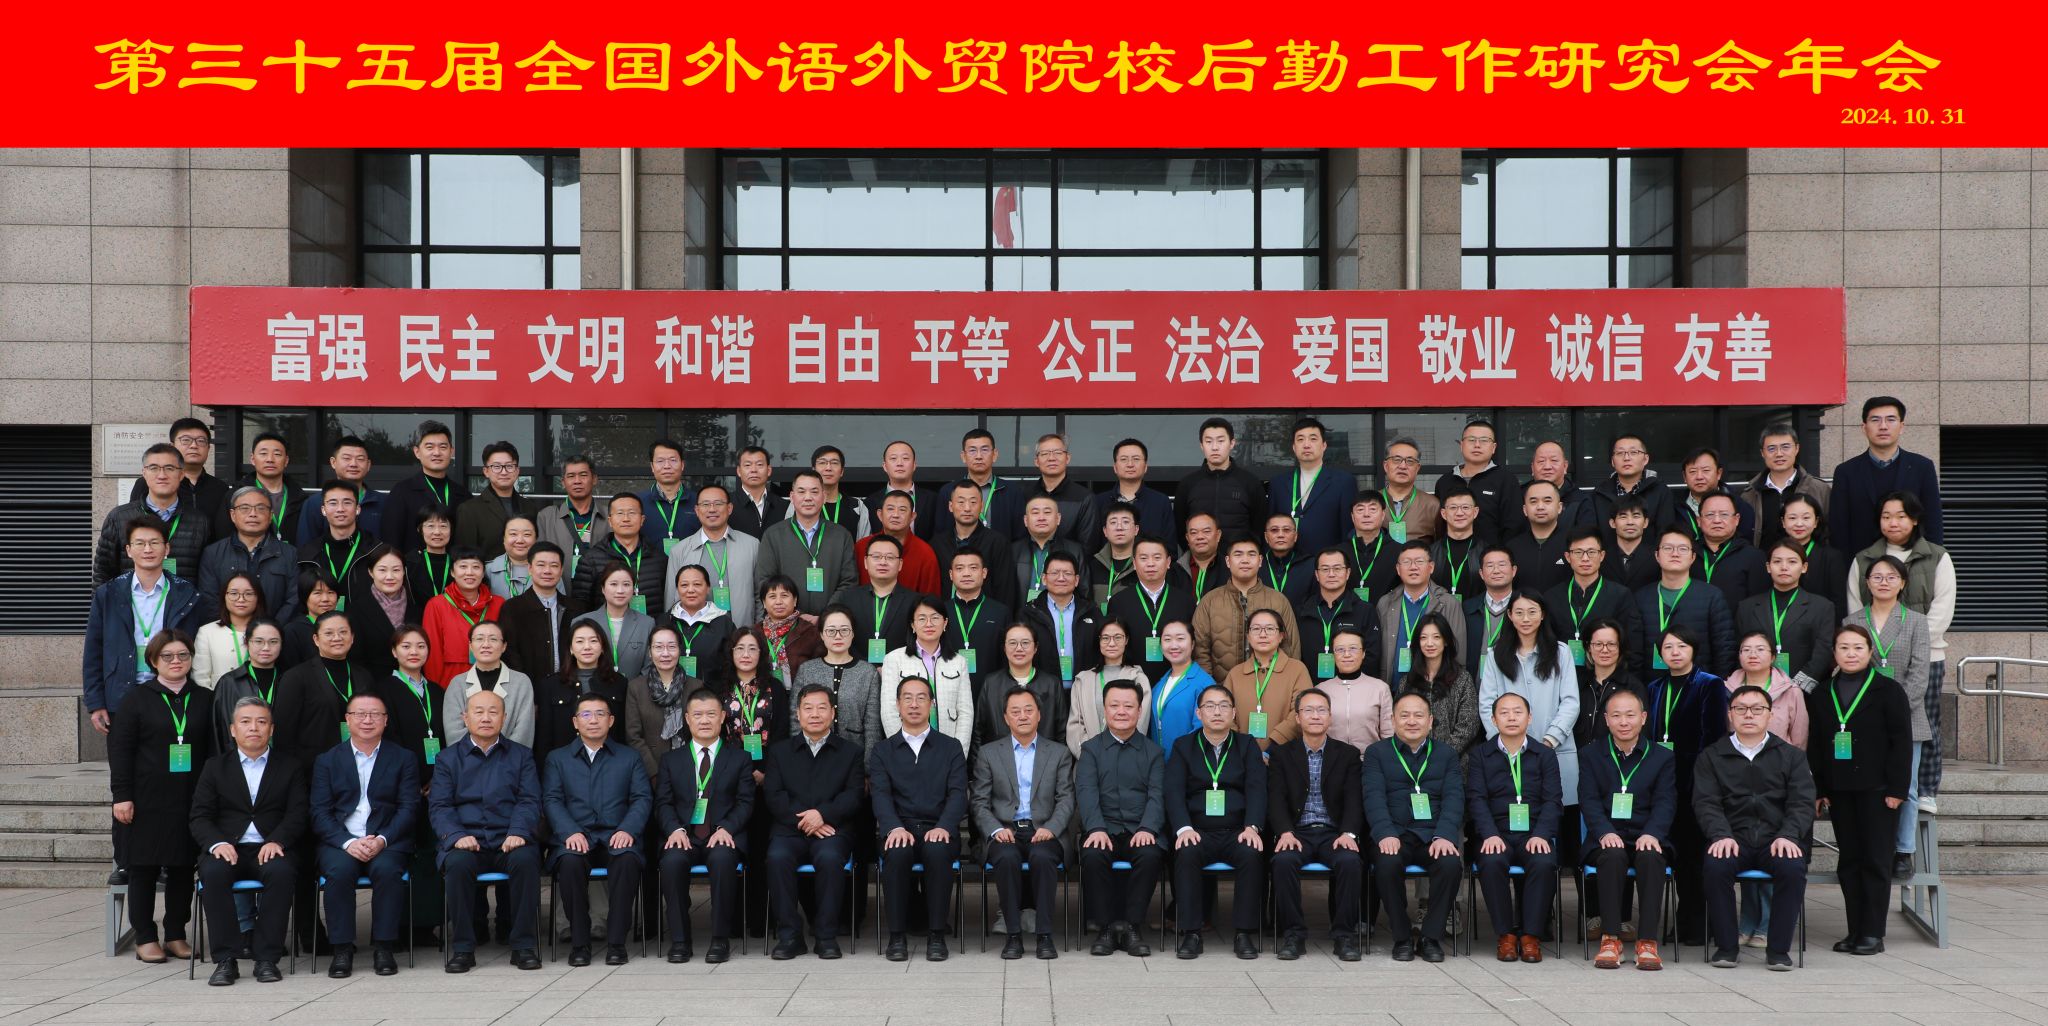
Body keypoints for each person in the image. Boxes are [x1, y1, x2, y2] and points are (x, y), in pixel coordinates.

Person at [1846, 492, 1955, 815]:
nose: (1893, 522)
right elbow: (1855, 608)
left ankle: (1926, 789)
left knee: (1924, 723)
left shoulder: (1936, 557)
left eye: (1901, 516)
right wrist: (1868, 647)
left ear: (1915, 519)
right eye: (1886, 516)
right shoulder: (1864, 559)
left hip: (1927, 656)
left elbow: (1942, 608)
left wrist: (1912, 640)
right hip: (1872, 659)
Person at [1808, 624, 1913, 956]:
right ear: (1834, 653)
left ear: (1870, 652)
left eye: (1857, 648)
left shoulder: (1888, 690)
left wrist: (1897, 788)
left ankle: (1873, 933)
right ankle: (1854, 930)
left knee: (1876, 860)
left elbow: (1902, 742)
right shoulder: (1823, 692)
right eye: (1844, 648)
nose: (1850, 654)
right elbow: (1816, 745)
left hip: (1878, 789)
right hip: (1840, 789)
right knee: (1849, 861)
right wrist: (1820, 788)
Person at [110, 629, 213, 962]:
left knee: (182, 868)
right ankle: (145, 936)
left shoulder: (205, 698)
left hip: (190, 797)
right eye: (167, 656)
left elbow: (213, 750)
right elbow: (121, 751)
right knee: (144, 867)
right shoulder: (136, 699)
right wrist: (122, 795)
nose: (176, 661)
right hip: (146, 799)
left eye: (183, 655)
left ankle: (176, 934)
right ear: (153, 660)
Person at [1697, 684, 1815, 971]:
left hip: (1776, 839)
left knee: (1792, 868)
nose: (1748, 715)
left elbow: (1802, 802)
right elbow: (1706, 802)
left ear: (1770, 714)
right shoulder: (1712, 756)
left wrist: (1788, 835)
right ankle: (1727, 947)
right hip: (1733, 838)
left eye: (1757, 709)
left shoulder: (1791, 756)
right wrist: (1720, 834)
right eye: (1740, 709)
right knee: (1715, 867)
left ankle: (1778, 950)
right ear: (1730, 715)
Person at [192, 694, 306, 986]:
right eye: (245, 722)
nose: (253, 728)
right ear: (233, 729)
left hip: (270, 847)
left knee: (281, 873)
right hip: (228, 848)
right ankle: (226, 960)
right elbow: (200, 816)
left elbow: (298, 813)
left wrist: (278, 840)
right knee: (213, 873)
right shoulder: (214, 767)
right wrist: (217, 843)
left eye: (261, 722)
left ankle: (266, 958)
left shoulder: (290, 766)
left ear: (271, 729)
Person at [432, 689, 545, 972]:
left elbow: (529, 800)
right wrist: (457, 836)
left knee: (526, 860)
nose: (486, 718)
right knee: (457, 864)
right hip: (467, 840)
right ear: (465, 717)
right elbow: (440, 806)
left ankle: (523, 945)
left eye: (493, 712)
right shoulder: (447, 759)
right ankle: (463, 948)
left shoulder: (521, 756)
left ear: (504, 718)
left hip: (509, 839)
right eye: (479, 712)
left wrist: (518, 831)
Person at [311, 692, 420, 978]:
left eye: (375, 714)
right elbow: (319, 813)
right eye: (360, 714)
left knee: (387, 870)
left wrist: (382, 839)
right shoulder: (327, 760)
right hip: (341, 841)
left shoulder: (403, 758)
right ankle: (341, 949)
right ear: (347, 720)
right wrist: (348, 842)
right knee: (339, 872)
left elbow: (409, 808)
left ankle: (384, 947)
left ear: (386, 721)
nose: (367, 720)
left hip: (387, 840)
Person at [543, 695, 651, 966]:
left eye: (600, 714)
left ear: (611, 720)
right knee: (569, 862)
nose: (593, 720)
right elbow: (552, 800)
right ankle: (580, 944)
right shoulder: (557, 759)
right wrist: (569, 832)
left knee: (627, 860)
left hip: (617, 835)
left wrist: (627, 829)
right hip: (575, 836)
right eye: (586, 715)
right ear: (575, 722)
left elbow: (642, 798)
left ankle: (617, 943)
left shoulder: (629, 757)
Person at [870, 674, 970, 962]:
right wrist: (892, 828)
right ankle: (896, 936)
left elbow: (958, 794)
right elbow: (880, 795)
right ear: (897, 705)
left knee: (938, 851)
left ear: (932, 704)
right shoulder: (883, 750)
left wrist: (944, 826)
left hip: (937, 828)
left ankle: (936, 934)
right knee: (897, 852)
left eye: (921, 698)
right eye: (907, 698)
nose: (914, 705)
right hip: (899, 828)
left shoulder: (950, 747)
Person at [762, 684, 865, 959]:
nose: (815, 714)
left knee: (830, 858)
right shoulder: (780, 752)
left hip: (833, 829)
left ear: (833, 713)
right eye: (808, 708)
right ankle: (790, 936)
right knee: (777, 858)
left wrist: (823, 815)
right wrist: (807, 819)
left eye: (822, 708)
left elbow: (854, 795)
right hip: (789, 830)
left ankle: (826, 936)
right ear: (798, 714)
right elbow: (774, 795)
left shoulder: (850, 752)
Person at [1578, 688, 1678, 970]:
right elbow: (1588, 799)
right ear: (1606, 719)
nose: (1624, 722)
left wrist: (1653, 833)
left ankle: (1647, 941)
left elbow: (1666, 801)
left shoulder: (1662, 757)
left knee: (1651, 857)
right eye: (1616, 715)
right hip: (1606, 835)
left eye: (1630, 715)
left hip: (1647, 834)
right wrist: (1604, 831)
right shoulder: (1590, 755)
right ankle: (1611, 938)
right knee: (1612, 856)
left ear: (1643, 718)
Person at [975, 686, 1076, 960]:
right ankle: (1013, 935)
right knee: (1006, 858)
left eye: (1029, 710)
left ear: (1039, 715)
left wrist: (1051, 828)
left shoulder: (1058, 753)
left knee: (1042, 857)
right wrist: (996, 829)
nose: (1022, 716)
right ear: (1006, 718)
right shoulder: (988, 753)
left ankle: (1044, 935)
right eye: (1015, 711)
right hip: (1005, 830)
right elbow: (979, 802)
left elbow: (1066, 799)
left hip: (1044, 829)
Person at [1361, 691, 1463, 962]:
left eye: (1419, 715)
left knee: (1451, 865)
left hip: (1433, 835)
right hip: (1395, 833)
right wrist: (1385, 833)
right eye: (1404, 715)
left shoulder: (1446, 754)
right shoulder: (1377, 753)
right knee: (1386, 864)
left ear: (1430, 721)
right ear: (1392, 720)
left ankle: (1431, 937)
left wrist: (1445, 835)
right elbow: (1373, 797)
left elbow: (1454, 798)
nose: (1412, 721)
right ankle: (1402, 936)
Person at [655, 687, 753, 963]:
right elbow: (663, 802)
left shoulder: (740, 758)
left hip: (722, 834)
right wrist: (675, 830)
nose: (705, 720)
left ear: (722, 717)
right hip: (684, 835)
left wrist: (727, 828)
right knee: (672, 862)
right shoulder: (671, 760)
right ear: (687, 719)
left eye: (711, 714)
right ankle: (680, 940)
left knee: (722, 859)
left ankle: (720, 939)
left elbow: (746, 802)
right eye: (697, 715)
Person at [1645, 625, 1730, 945]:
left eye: (1682, 646)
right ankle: (1684, 918)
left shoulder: (1710, 684)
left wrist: (1701, 779)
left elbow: (1714, 736)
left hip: (1697, 782)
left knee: (1696, 856)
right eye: (1668, 647)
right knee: (1678, 857)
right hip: (1663, 782)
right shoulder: (1655, 687)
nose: (1675, 652)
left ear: (1693, 649)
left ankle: (1701, 921)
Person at [1850, 556, 1933, 880]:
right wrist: (1871, 714)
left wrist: (1894, 712)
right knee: (1866, 784)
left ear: (1903, 583)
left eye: (1891, 577)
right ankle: (1870, 845)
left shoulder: (1916, 622)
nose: (1883, 582)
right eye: (1877, 576)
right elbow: (1851, 667)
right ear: (1867, 582)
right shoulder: (1853, 620)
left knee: (1906, 786)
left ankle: (1903, 850)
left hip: (1907, 718)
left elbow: (1919, 673)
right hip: (1864, 718)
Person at [1266, 688, 1365, 961]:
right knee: (1283, 861)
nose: (1315, 716)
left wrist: (1348, 833)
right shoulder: (1282, 755)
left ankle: (1344, 935)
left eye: (1322, 710)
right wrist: (1285, 832)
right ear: (1298, 718)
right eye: (1308, 710)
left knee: (1350, 861)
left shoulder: (1347, 754)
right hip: (1297, 832)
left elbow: (1354, 799)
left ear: (1330, 717)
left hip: (1334, 833)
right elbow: (1275, 798)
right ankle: (1294, 935)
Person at [1468, 692, 1564, 964]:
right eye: (1504, 713)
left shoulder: (1544, 755)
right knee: (1491, 861)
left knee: (1543, 862)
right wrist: (1489, 834)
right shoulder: (1480, 755)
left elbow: (1553, 800)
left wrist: (1542, 835)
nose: (1511, 717)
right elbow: (1476, 799)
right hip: (1495, 833)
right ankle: (1506, 936)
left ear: (1529, 718)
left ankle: (1531, 936)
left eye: (1518, 712)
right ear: (1493, 719)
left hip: (1533, 832)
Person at [1478, 592, 1581, 840]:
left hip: (1554, 748)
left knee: (1556, 822)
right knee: (1511, 821)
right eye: (1519, 612)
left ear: (1542, 614)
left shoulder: (1561, 652)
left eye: (1532, 612)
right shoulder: (1496, 654)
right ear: (1510, 615)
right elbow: (1487, 703)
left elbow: (1571, 702)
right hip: (1509, 755)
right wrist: (1504, 744)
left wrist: (1549, 741)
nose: (1526, 618)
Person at [1076, 679, 1166, 958]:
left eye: (1128, 706)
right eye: (1114, 705)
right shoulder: (1091, 750)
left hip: (1140, 829)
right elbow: (1086, 792)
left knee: (1150, 855)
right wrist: (1096, 828)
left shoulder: (1153, 752)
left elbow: (1157, 794)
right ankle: (1104, 928)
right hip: (1103, 828)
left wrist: (1148, 828)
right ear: (1104, 710)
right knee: (1093, 855)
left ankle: (1131, 927)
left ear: (1139, 711)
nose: (1121, 711)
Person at [1830, 395, 1943, 558]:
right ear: (1864, 427)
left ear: (1902, 426)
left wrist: (1931, 561)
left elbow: (1933, 522)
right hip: (1862, 562)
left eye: (1891, 420)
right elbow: (1839, 529)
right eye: (1875, 420)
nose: (1883, 426)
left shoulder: (1922, 467)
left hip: (1911, 562)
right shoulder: (1846, 472)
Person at [98, 443, 212, 584]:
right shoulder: (118, 517)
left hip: (184, 598)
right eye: (154, 468)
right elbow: (102, 573)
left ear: (181, 474)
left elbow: (207, 575)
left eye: (169, 468)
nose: (162, 475)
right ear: (144, 473)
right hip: (130, 598)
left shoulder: (200, 521)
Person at [1193, 536, 1302, 678]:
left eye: (1251, 554)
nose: (1245, 560)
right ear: (1228, 561)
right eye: (1238, 554)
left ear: (1260, 561)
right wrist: (1211, 688)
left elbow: (1291, 649)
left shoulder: (1278, 601)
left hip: (1270, 686)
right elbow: (1200, 652)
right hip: (1221, 688)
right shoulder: (1209, 602)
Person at [1736, 542, 1838, 692]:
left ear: (1804, 567)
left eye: (1792, 561)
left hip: (1803, 691)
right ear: (1768, 567)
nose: (1784, 567)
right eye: (1777, 561)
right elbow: (1739, 649)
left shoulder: (1822, 607)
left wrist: (1796, 688)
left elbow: (1823, 652)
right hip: (1757, 689)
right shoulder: (1747, 607)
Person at [1546, 527, 1648, 677]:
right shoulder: (1552, 596)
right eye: (1578, 552)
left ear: (1602, 555)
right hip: (1561, 677)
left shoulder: (1620, 595)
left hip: (1605, 679)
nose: (1585, 558)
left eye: (1591, 552)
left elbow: (1632, 646)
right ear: (1568, 557)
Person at [755, 470, 859, 618]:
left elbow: (849, 582)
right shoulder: (773, 535)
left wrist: (825, 616)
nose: (808, 497)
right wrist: (797, 615)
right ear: (792, 497)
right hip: (787, 622)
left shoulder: (841, 536)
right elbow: (766, 582)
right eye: (801, 492)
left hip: (829, 623)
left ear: (824, 497)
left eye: (814, 492)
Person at [1635, 529, 1736, 676]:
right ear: (1657, 555)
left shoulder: (1712, 596)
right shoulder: (1641, 597)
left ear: (1693, 557)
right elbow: (1634, 652)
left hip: (1699, 684)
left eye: (1683, 549)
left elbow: (1724, 649)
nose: (1675, 554)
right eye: (1668, 548)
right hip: (1653, 684)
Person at [789, 605, 885, 761]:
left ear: (853, 634)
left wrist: (868, 766)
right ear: (822, 634)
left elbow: (872, 726)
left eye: (844, 630)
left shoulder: (868, 672)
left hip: (854, 757)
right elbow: (795, 718)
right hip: (812, 756)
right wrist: (800, 757)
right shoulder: (807, 670)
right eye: (831, 631)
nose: (838, 636)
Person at [881, 596, 976, 750]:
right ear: (913, 625)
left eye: (935, 618)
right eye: (922, 619)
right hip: (907, 747)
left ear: (945, 623)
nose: (929, 624)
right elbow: (889, 711)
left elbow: (966, 712)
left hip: (948, 746)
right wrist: (902, 751)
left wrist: (958, 754)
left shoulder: (959, 662)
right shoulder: (894, 659)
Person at [273, 611, 368, 764]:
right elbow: (284, 733)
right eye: (329, 633)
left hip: (360, 763)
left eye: (343, 632)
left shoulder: (364, 676)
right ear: (316, 639)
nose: (337, 638)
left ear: (352, 637)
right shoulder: (296, 677)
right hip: (313, 765)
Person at [197, 485, 299, 623]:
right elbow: (209, 600)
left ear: (270, 515)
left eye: (260, 508)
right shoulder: (213, 553)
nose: (253, 514)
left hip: (274, 633)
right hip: (227, 632)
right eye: (245, 508)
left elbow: (293, 599)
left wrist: (271, 629)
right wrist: (232, 629)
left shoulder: (289, 554)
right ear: (233, 515)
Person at [665, 483, 759, 627]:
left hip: (742, 632)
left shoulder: (751, 545)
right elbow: (672, 599)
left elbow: (760, 595)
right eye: (705, 504)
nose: (712, 509)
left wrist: (756, 631)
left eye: (718, 503)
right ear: (697, 510)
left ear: (729, 508)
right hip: (696, 634)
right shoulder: (680, 550)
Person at [1105, 535, 1194, 687]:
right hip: (1130, 683)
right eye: (1144, 558)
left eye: (1157, 558)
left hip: (1176, 682)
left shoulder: (1185, 602)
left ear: (1168, 562)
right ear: (1134, 563)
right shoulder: (1118, 602)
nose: (1150, 563)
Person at [1267, 416, 1359, 559]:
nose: (1306, 445)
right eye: (1300, 439)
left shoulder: (1343, 482)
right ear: (1293, 447)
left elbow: (1348, 530)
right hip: (1287, 564)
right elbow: (1270, 526)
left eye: (1313, 439)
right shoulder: (1278, 484)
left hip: (1327, 564)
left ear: (1324, 445)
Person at [534, 622, 629, 759]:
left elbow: (624, 731)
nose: (587, 647)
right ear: (571, 649)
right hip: (564, 763)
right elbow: (544, 735)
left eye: (593, 641)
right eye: (580, 641)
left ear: (602, 647)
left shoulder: (619, 683)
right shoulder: (550, 685)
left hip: (610, 761)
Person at [1375, 540, 1466, 683]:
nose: (1413, 567)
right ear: (1398, 569)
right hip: (1392, 687)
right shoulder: (1385, 603)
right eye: (1406, 562)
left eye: (1419, 561)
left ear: (1431, 567)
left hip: (1435, 688)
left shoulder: (1448, 603)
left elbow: (1458, 652)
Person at [1224, 608, 1314, 750]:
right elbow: (1225, 713)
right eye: (1256, 629)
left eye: (1270, 629)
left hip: (1284, 752)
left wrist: (1274, 745)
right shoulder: (1235, 674)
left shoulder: (1297, 670)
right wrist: (1240, 746)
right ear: (1248, 636)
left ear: (1281, 636)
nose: (1263, 634)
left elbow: (1302, 711)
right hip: (1240, 753)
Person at [1017, 550, 1104, 694]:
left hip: (1084, 692)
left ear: (1076, 580)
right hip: (1041, 692)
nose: (1061, 578)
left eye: (1067, 573)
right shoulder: (1029, 613)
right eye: (1055, 573)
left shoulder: (1092, 612)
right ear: (1044, 579)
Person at [1737, 422, 1831, 552]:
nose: (1779, 454)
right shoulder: (1749, 494)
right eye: (1771, 449)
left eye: (1785, 447)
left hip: (1810, 561)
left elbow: (1829, 532)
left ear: (1797, 449)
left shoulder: (1820, 489)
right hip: (1762, 562)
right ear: (1762, 453)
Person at [499, 542, 586, 682]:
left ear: (561, 570)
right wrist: (524, 686)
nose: (547, 571)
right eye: (541, 565)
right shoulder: (512, 608)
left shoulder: (575, 608)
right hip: (528, 686)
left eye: (554, 566)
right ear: (530, 569)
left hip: (569, 685)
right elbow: (509, 653)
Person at [442, 620, 536, 749]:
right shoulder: (457, 684)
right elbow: (454, 733)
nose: (486, 645)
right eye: (479, 639)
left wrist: (502, 757)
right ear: (470, 646)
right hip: (466, 760)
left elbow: (524, 732)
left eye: (493, 639)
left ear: (504, 646)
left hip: (511, 760)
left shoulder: (521, 682)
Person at [380, 421, 468, 556]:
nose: (437, 453)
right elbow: (391, 540)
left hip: (454, 568)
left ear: (451, 451)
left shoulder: (463, 494)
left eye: (443, 447)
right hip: (413, 568)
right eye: (429, 447)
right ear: (417, 452)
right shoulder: (402, 492)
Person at [623, 624, 700, 779]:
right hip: (651, 771)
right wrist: (655, 773)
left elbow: (701, 731)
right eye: (658, 647)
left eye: (671, 647)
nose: (665, 653)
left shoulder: (695, 686)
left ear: (679, 650)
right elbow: (633, 736)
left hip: (690, 769)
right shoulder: (636, 687)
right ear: (650, 652)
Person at [570, 493, 668, 612]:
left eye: (632, 513)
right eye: (620, 513)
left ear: (642, 520)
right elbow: (579, 605)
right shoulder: (591, 559)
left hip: (650, 623)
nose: (626, 519)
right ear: (610, 521)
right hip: (605, 624)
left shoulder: (659, 558)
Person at [1078, 438, 1176, 555]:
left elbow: (1170, 548)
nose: (1130, 464)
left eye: (1136, 459)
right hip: (1108, 566)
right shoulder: (1099, 502)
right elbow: (1091, 546)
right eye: (1124, 459)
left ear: (1145, 466)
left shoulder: (1160, 502)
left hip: (1149, 565)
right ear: (1115, 467)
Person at [423, 549, 506, 687]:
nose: (469, 572)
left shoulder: (498, 604)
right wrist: (435, 689)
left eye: (476, 567)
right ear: (452, 572)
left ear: (483, 572)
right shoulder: (437, 605)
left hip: (493, 680)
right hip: (451, 681)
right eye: (463, 566)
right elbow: (433, 654)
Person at [1067, 617, 1152, 752]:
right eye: (1105, 638)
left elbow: (1140, 724)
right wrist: (1091, 755)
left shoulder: (1139, 679)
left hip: (1127, 758)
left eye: (1118, 637)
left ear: (1126, 640)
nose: (1111, 643)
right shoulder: (1082, 680)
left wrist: (1118, 757)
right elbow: (1075, 727)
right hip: (1089, 758)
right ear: (1098, 641)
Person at [1176, 417, 1267, 541]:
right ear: (1201, 445)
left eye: (1220, 441)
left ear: (1232, 443)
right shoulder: (1188, 484)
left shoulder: (1250, 483)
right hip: (1200, 553)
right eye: (1209, 441)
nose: (1215, 447)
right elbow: (1180, 528)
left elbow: (1260, 527)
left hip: (1239, 553)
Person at [833, 533, 921, 660]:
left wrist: (893, 666)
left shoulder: (915, 602)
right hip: (856, 668)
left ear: (900, 564)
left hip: (900, 668)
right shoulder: (848, 599)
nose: (883, 562)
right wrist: (864, 667)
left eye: (890, 557)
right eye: (876, 557)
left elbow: (917, 642)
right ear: (865, 562)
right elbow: (841, 637)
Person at [934, 484, 1019, 609]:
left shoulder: (997, 542)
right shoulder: (937, 544)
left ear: (981, 506)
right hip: (947, 614)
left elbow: (1005, 590)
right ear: (951, 506)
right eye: (961, 502)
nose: (967, 508)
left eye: (973, 502)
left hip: (986, 616)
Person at [1432, 418, 1515, 544]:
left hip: (1492, 555)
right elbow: (1439, 526)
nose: (1477, 445)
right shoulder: (1445, 482)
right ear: (1461, 445)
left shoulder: (1506, 480)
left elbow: (1513, 526)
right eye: (1471, 440)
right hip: (1450, 553)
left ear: (1493, 447)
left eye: (1484, 440)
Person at [571, 561, 656, 681]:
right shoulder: (582, 622)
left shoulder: (647, 624)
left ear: (633, 588)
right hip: (592, 690)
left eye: (626, 584)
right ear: (603, 589)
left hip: (633, 690)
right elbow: (573, 664)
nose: (620, 590)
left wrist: (634, 688)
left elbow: (650, 665)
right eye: (613, 584)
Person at [934, 428, 1024, 542]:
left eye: (984, 450)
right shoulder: (948, 491)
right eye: (972, 450)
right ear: (963, 456)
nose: (978, 456)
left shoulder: (1012, 491)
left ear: (995, 455)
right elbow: (941, 535)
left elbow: (1020, 536)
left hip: (999, 552)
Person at [1315, 626, 1394, 752]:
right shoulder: (1321, 690)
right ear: (1333, 654)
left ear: (1363, 653)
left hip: (1368, 759)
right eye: (1340, 649)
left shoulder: (1380, 688)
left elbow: (1388, 734)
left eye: (1353, 648)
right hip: (1331, 759)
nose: (1346, 654)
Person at [344, 545, 420, 677]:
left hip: (413, 682)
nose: (389, 576)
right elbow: (355, 659)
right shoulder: (355, 610)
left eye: (396, 570)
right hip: (374, 683)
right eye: (382, 570)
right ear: (371, 572)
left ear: (404, 571)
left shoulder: (416, 608)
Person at [295, 437, 384, 547]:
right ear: (333, 462)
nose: (353, 464)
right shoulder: (314, 503)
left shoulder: (383, 502)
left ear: (368, 465)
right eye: (346, 458)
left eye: (360, 459)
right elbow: (305, 547)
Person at [1590, 434, 1677, 542]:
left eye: (1633, 452)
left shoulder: (1660, 491)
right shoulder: (1599, 493)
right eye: (1620, 453)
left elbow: (1666, 534)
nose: (1626, 458)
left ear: (1645, 459)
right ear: (1612, 461)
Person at [1502, 440, 1596, 538]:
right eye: (1541, 461)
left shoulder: (1581, 500)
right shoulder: (1518, 496)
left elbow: (1587, 539)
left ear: (1565, 466)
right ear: (1532, 468)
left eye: (1554, 461)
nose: (1547, 467)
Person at [1573, 621, 1644, 750]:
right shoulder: (1577, 684)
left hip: (1616, 760)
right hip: (1578, 758)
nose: (1605, 650)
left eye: (1611, 644)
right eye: (1598, 644)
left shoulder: (1632, 687)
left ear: (1620, 648)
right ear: (1588, 647)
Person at [941, 548, 1011, 678]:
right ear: (951, 574)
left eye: (973, 568)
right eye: (959, 568)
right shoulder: (940, 612)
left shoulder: (1000, 612)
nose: (966, 574)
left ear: (984, 573)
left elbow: (1006, 657)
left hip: (990, 685)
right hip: (948, 683)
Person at [1693, 492, 1769, 610]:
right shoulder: (1687, 553)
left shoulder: (1754, 556)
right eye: (1710, 515)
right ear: (1699, 520)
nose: (1717, 520)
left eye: (1724, 514)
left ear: (1737, 519)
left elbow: (1759, 604)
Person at [658, 564, 732, 684]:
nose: (691, 590)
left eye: (697, 584)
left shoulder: (723, 623)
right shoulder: (665, 621)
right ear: (677, 589)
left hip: (711, 693)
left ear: (708, 588)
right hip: (670, 692)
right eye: (684, 585)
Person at [860, 489, 942, 597]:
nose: (896, 515)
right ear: (880, 515)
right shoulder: (861, 547)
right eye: (890, 509)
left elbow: (931, 599)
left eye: (902, 510)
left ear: (912, 517)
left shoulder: (925, 553)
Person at [214, 620, 286, 744]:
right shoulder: (229, 682)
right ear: (247, 643)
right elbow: (220, 728)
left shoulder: (290, 680)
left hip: (281, 754)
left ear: (281, 645)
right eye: (258, 641)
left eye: (273, 642)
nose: (266, 648)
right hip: (238, 753)